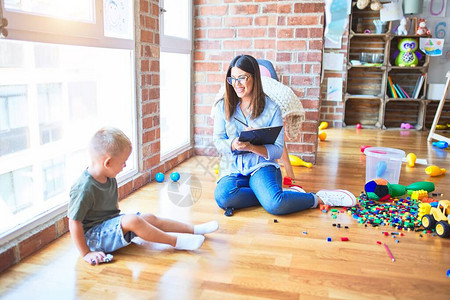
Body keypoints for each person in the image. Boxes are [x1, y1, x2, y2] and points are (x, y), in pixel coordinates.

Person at [213, 54, 357, 216]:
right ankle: (278, 195)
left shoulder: (271, 108)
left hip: (261, 167)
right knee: (223, 197)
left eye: (242, 78)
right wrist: (233, 144)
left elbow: (278, 150)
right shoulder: (222, 106)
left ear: (254, 77)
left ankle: (317, 198)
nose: (236, 84)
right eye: (232, 79)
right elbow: (218, 141)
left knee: (275, 205)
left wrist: (252, 147)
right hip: (233, 168)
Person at [68, 127, 219, 265]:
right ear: (107, 162)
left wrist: (121, 223)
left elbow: (112, 209)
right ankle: (176, 241)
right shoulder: (84, 188)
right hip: (94, 238)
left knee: (149, 218)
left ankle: (194, 229)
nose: (125, 166)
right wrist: (86, 252)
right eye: (123, 163)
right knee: (133, 220)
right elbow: (74, 223)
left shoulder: (109, 176)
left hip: (109, 226)